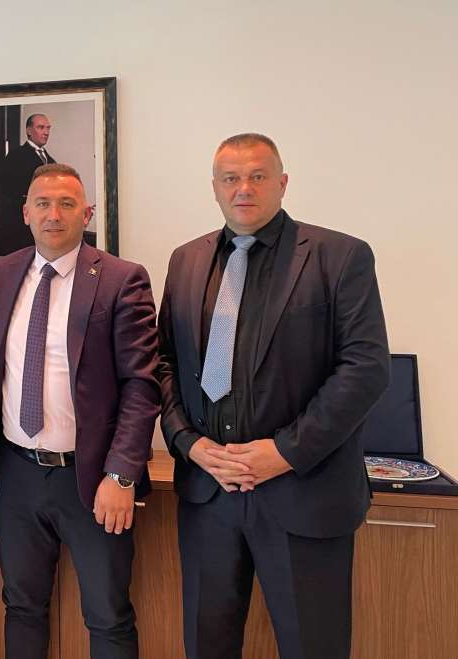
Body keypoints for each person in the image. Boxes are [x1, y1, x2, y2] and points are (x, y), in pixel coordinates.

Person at [157, 133, 390, 659]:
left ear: (282, 183)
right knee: (207, 647)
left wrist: (283, 452)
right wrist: (189, 443)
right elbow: (164, 361)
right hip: (209, 493)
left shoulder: (339, 256)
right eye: (231, 178)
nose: (244, 188)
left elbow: (365, 369)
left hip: (302, 492)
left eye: (257, 176)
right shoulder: (186, 260)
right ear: (214, 187)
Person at [0, 163, 160, 658]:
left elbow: (142, 385)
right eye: (42, 203)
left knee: (108, 615)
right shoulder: (3, 271)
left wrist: (122, 474)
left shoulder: (122, 279)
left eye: (66, 204)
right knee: (21, 607)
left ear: (87, 213)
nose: (54, 215)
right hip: (17, 473)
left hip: (92, 479)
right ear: (25, 212)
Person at [0, 113, 56, 254]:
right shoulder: (15, 156)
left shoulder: (51, 161)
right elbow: (6, 191)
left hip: (44, 224)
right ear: (29, 131)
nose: (46, 132)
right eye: (41, 127)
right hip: (20, 225)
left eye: (48, 128)